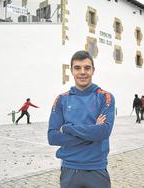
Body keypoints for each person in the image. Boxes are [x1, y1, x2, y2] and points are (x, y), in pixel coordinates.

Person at [48, 50, 115, 188]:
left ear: (93, 70)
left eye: (87, 68)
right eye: (77, 68)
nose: (82, 72)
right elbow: (53, 137)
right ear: (71, 70)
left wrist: (67, 128)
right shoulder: (61, 99)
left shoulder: (105, 97)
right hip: (69, 170)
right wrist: (92, 133)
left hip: (96, 169)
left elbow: (103, 132)